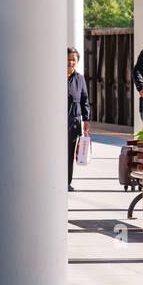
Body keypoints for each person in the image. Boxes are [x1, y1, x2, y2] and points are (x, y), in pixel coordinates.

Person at [67, 46, 90, 193]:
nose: (70, 63)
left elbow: (84, 99)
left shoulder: (79, 78)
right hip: (55, 122)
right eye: (68, 59)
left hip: (73, 121)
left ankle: (67, 182)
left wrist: (86, 119)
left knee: (69, 153)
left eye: (73, 60)